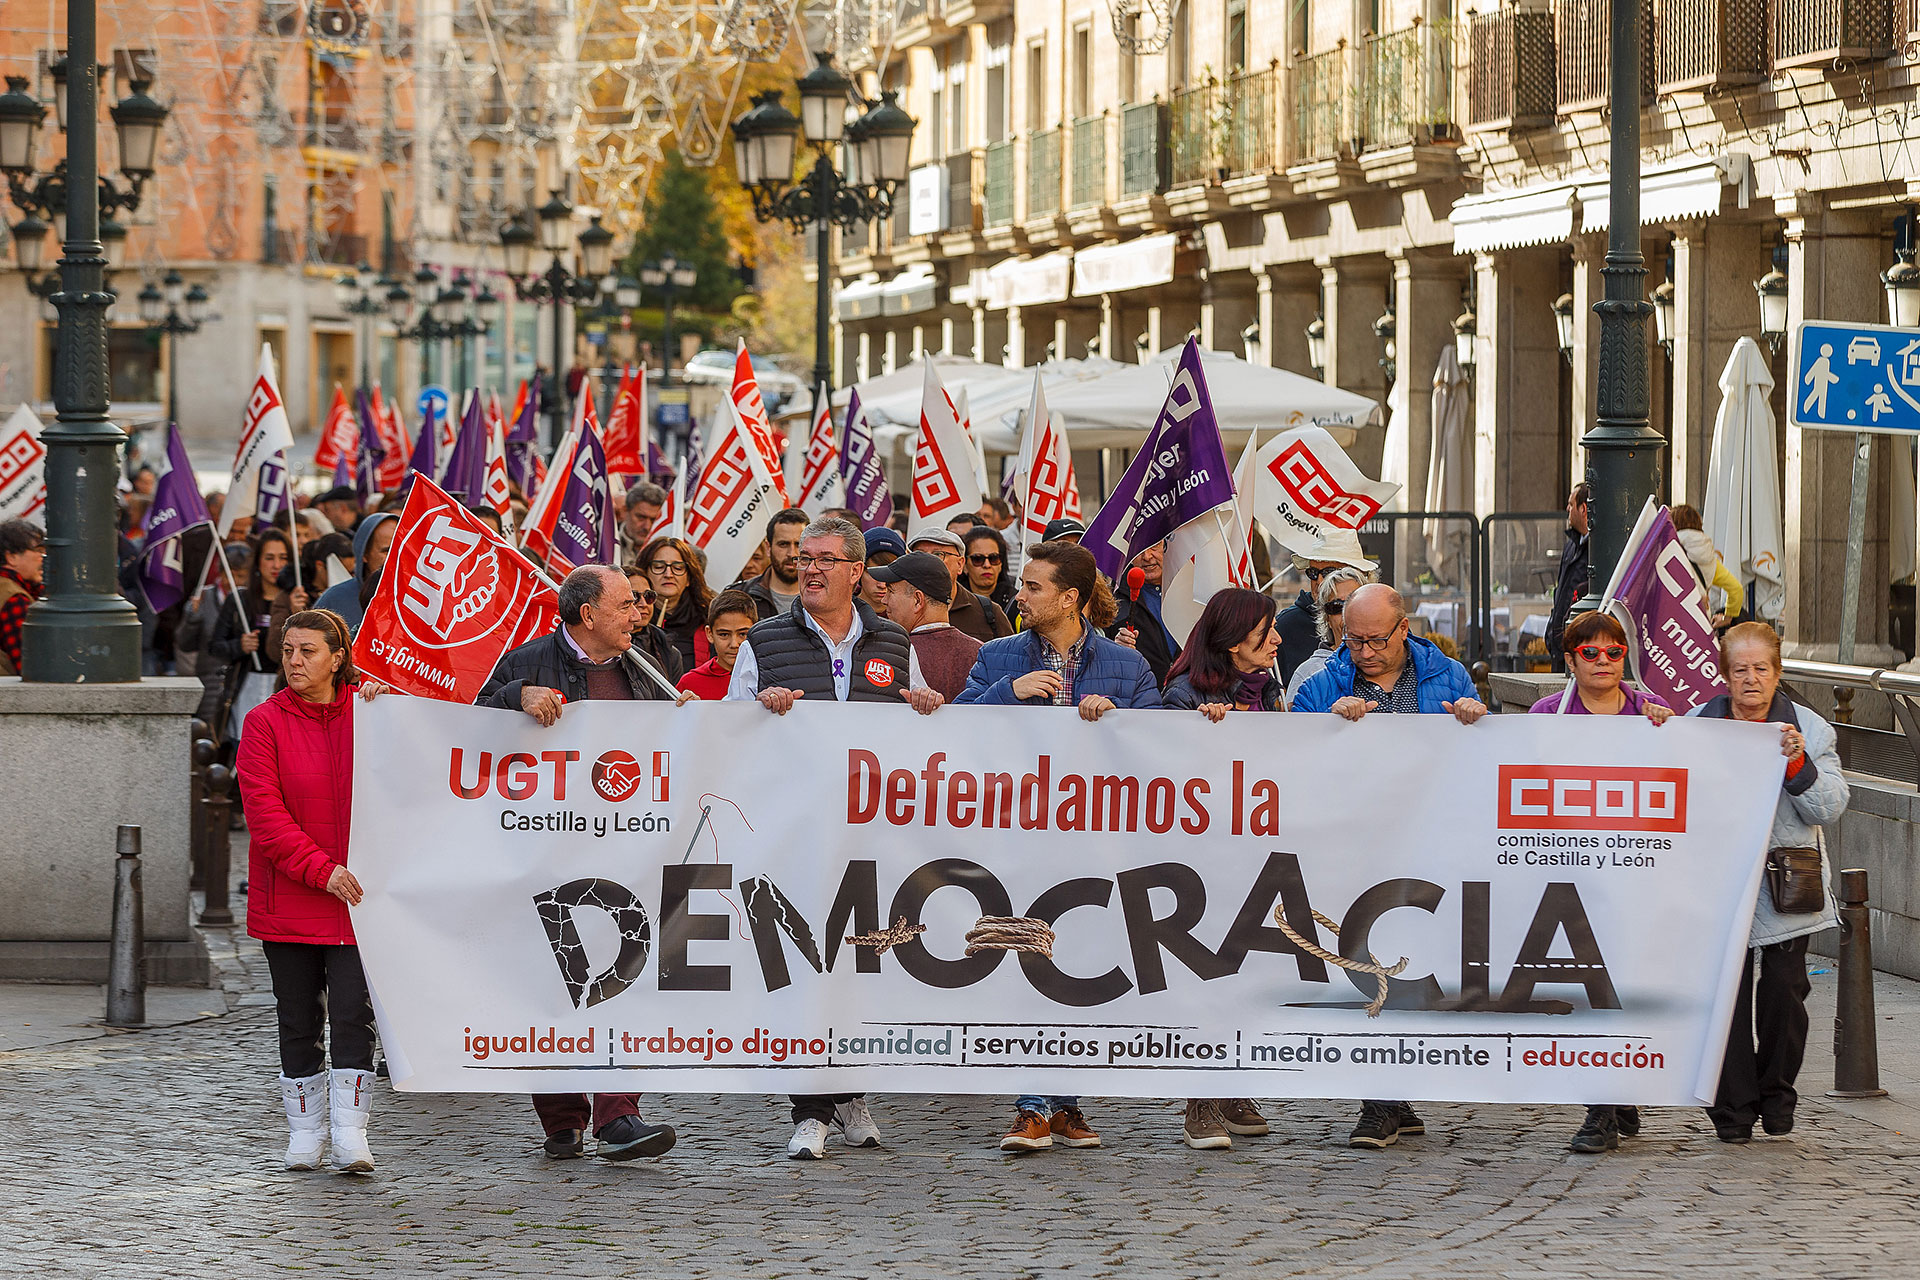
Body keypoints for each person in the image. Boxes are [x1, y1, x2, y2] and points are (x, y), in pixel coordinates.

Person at [725, 516, 943, 1160]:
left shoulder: (892, 640)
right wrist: (760, 710)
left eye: (823, 559)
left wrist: (924, 706)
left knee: (856, 962)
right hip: (796, 830)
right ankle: (811, 1108)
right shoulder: (765, 640)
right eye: (801, 557)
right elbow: (729, 730)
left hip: (869, 833)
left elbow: (917, 717)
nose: (808, 568)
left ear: (856, 571)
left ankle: (847, 1091)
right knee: (805, 961)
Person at [957, 539, 1161, 1153]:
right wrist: (1006, 695)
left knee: (1083, 964)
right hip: (1019, 834)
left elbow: (1164, 745)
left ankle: (1063, 1101)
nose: (1018, 596)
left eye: (1033, 587)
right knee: (1030, 960)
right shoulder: (996, 658)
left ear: (1070, 598)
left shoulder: (1127, 666)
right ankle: (1035, 1103)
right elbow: (956, 730)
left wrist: (1121, 716)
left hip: (1099, 839)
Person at [478, 565, 684, 1162]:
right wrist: (515, 699)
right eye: (625, 605)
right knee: (555, 979)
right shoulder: (526, 661)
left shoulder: (650, 659)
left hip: (632, 848)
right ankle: (562, 1118)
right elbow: (470, 722)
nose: (637, 615)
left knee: (630, 970)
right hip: (549, 849)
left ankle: (620, 1114)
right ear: (587, 614)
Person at [1291, 583, 1486, 1150]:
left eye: (1377, 640)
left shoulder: (1447, 676)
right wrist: (1328, 724)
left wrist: (1475, 718)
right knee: (1369, 965)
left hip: (1428, 842)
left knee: (1413, 964)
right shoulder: (1325, 680)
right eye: (1353, 640)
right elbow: (1292, 750)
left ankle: (1393, 1096)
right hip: (1359, 842)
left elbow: (1480, 754)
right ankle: (1382, 1099)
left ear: (1405, 629)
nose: (1365, 652)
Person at [1690, 621, 1849, 1144]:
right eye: (1741, 670)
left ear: (1778, 673)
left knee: (1785, 993)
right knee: (1727, 1002)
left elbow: (1830, 806)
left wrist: (1797, 762)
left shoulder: (1811, 729)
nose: (1751, 679)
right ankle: (1734, 1112)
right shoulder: (1699, 725)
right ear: (1724, 674)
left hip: (1787, 882)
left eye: (1762, 669)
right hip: (1719, 881)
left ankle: (1778, 1095)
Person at [1521, 612, 1674, 1152]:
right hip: (1567, 877)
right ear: (1570, 660)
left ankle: (1612, 1097)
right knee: (1587, 989)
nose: (1604, 662)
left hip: (1634, 879)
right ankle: (1603, 1108)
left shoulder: (1650, 715)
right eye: (1591, 653)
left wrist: (1670, 729)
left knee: (1618, 988)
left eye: (1614, 653)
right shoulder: (1547, 714)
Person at [234, 608, 377, 1173]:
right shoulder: (264, 722)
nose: (294, 660)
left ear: (338, 658)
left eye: (308, 651)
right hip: (292, 899)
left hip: (356, 901)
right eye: (288, 650)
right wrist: (322, 870)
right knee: (297, 1020)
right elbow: (265, 817)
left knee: (351, 1016)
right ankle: (305, 1130)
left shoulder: (372, 714)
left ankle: (350, 1131)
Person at [1160, 587, 1283, 1150]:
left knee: (1246, 974)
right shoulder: (1185, 696)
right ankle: (1200, 1100)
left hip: (1255, 852)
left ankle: (1232, 1085)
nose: (1278, 640)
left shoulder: (1268, 690)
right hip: (1202, 859)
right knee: (1205, 975)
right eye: (1266, 632)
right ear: (1235, 643)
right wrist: (1203, 736)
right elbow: (1164, 774)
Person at [212, 528, 308, 744]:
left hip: (288, 689)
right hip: (247, 688)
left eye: (283, 558)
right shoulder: (240, 599)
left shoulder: (302, 598)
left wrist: (296, 611)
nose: (276, 565)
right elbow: (215, 646)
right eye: (269, 558)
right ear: (258, 562)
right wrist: (240, 646)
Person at [871, 550, 982, 701]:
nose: (884, 600)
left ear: (917, 600)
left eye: (890, 591)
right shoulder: (982, 653)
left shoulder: (892, 654)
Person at [1274, 528, 1377, 686]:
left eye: (1330, 572)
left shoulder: (1384, 620)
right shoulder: (1285, 625)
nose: (1320, 581)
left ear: (1358, 575)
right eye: (1313, 573)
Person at [1283, 566, 1372, 707]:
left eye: (1354, 604)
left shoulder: (1395, 663)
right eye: (1336, 607)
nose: (1345, 614)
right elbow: (1295, 727)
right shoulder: (1307, 673)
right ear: (1326, 619)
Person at [909, 528, 1014, 642]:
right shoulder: (900, 609)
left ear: (960, 564)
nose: (927, 562)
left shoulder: (988, 613)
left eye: (938, 554)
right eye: (919, 554)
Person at [638, 534, 714, 673]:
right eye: (659, 566)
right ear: (645, 574)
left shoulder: (709, 619)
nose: (668, 574)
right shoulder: (631, 621)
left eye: (678, 568)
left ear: (689, 578)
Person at [1108, 540, 1178, 688]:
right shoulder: (1112, 597)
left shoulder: (1192, 587)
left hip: (1192, 701)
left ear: (1168, 544)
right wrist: (1116, 648)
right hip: (1142, 698)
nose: (1147, 556)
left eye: (1154, 545)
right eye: (1138, 548)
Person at [313, 511, 397, 634]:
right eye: (387, 551)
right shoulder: (333, 601)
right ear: (365, 554)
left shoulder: (422, 597)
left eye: (401, 548)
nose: (396, 557)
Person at [1670, 504, 1745, 629]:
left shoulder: (1669, 549)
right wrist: (1728, 617)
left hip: (1672, 623)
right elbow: (1736, 588)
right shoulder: (1710, 558)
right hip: (1699, 621)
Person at [677, 589, 756, 700]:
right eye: (724, 634)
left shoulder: (769, 678)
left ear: (756, 631)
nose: (734, 644)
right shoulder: (690, 683)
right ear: (709, 634)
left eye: (742, 634)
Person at [733, 507, 810, 619]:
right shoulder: (740, 596)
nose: (792, 553)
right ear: (768, 548)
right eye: (783, 544)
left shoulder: (826, 596)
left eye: (798, 544)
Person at [1546, 483, 1591, 671]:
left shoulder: (1599, 548)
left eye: (1571, 504)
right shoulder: (1572, 545)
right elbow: (1562, 591)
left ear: (1583, 509)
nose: (1567, 509)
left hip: (1580, 646)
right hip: (1560, 644)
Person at [622, 564, 684, 685]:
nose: (644, 604)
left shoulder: (670, 651)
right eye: (634, 596)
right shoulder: (602, 647)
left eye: (649, 596)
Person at [0, 517, 47, 676]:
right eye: (38, 551)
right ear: (11, 557)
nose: (43, 557)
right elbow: (31, 667)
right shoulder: (14, 599)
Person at [963, 525, 1017, 618]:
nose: (987, 565)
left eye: (994, 558)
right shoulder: (954, 602)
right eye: (978, 559)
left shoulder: (1016, 601)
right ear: (964, 565)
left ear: (1001, 563)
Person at [617, 481, 667, 563]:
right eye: (641, 517)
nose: (647, 526)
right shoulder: (605, 547)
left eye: (653, 520)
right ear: (624, 511)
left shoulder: (669, 552)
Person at [861, 527, 906, 613]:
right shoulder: (839, 611)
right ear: (859, 570)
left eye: (890, 574)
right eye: (873, 574)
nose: (882, 585)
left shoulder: (910, 616)